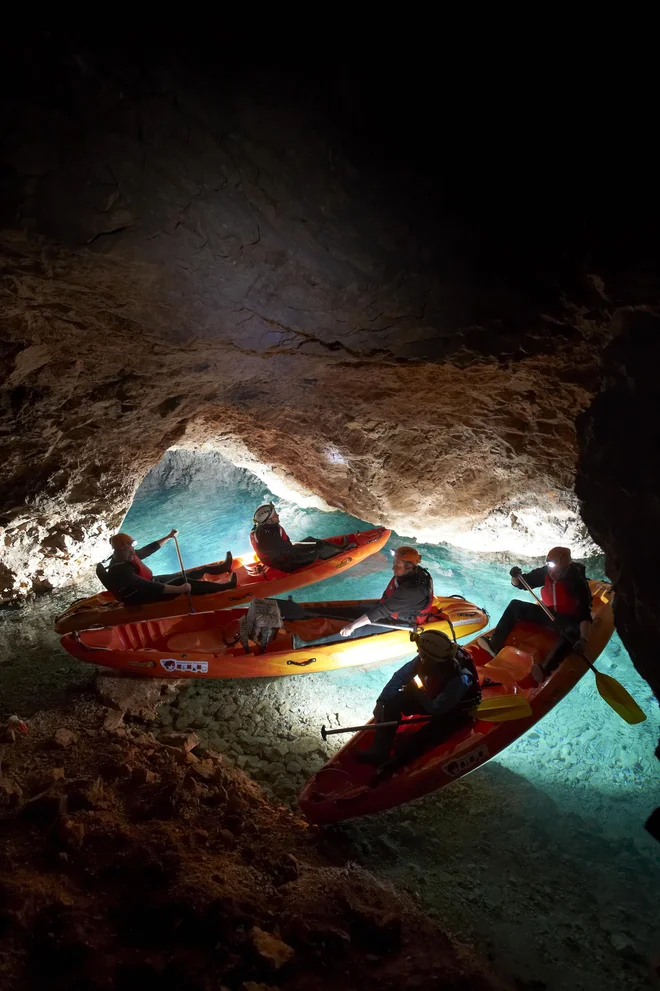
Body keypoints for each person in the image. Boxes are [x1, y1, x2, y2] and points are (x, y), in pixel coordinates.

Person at [354, 629, 481, 778]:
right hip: (434, 699)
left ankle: (395, 764)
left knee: (425, 736)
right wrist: (382, 700)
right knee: (392, 702)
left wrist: (417, 692)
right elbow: (400, 677)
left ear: (430, 657)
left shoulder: (459, 678)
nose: (419, 655)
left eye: (421, 654)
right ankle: (379, 752)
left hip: (455, 710)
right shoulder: (427, 658)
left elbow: (437, 709)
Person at [477, 546, 592, 682]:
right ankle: (495, 645)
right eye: (551, 570)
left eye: (558, 572)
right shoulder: (546, 572)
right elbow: (521, 583)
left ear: (567, 567)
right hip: (547, 613)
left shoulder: (577, 582)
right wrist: (514, 576)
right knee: (515, 605)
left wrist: (583, 640)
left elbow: (585, 614)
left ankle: (544, 669)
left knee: (573, 632)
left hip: (565, 620)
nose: (553, 574)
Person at [98, 529, 236, 605]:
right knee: (183, 581)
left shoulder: (125, 554)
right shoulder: (121, 572)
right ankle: (226, 586)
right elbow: (151, 588)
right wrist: (180, 588)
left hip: (150, 583)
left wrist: (168, 537)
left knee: (182, 575)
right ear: (123, 547)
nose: (134, 548)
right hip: (140, 596)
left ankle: (223, 568)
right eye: (132, 544)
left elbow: (148, 549)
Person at [339, 546, 434, 637]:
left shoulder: (412, 590)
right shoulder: (412, 572)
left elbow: (381, 611)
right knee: (353, 611)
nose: (393, 568)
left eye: (397, 565)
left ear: (408, 568)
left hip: (401, 621)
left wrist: (352, 626)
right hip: (390, 608)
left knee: (355, 630)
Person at [250, 503, 355, 573]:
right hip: (286, 563)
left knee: (310, 540)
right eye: (274, 515)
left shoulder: (266, 528)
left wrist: (304, 546)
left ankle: (340, 547)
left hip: (286, 554)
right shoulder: (269, 538)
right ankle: (343, 552)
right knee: (317, 550)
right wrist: (308, 550)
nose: (277, 515)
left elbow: (286, 548)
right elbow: (286, 552)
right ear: (268, 521)